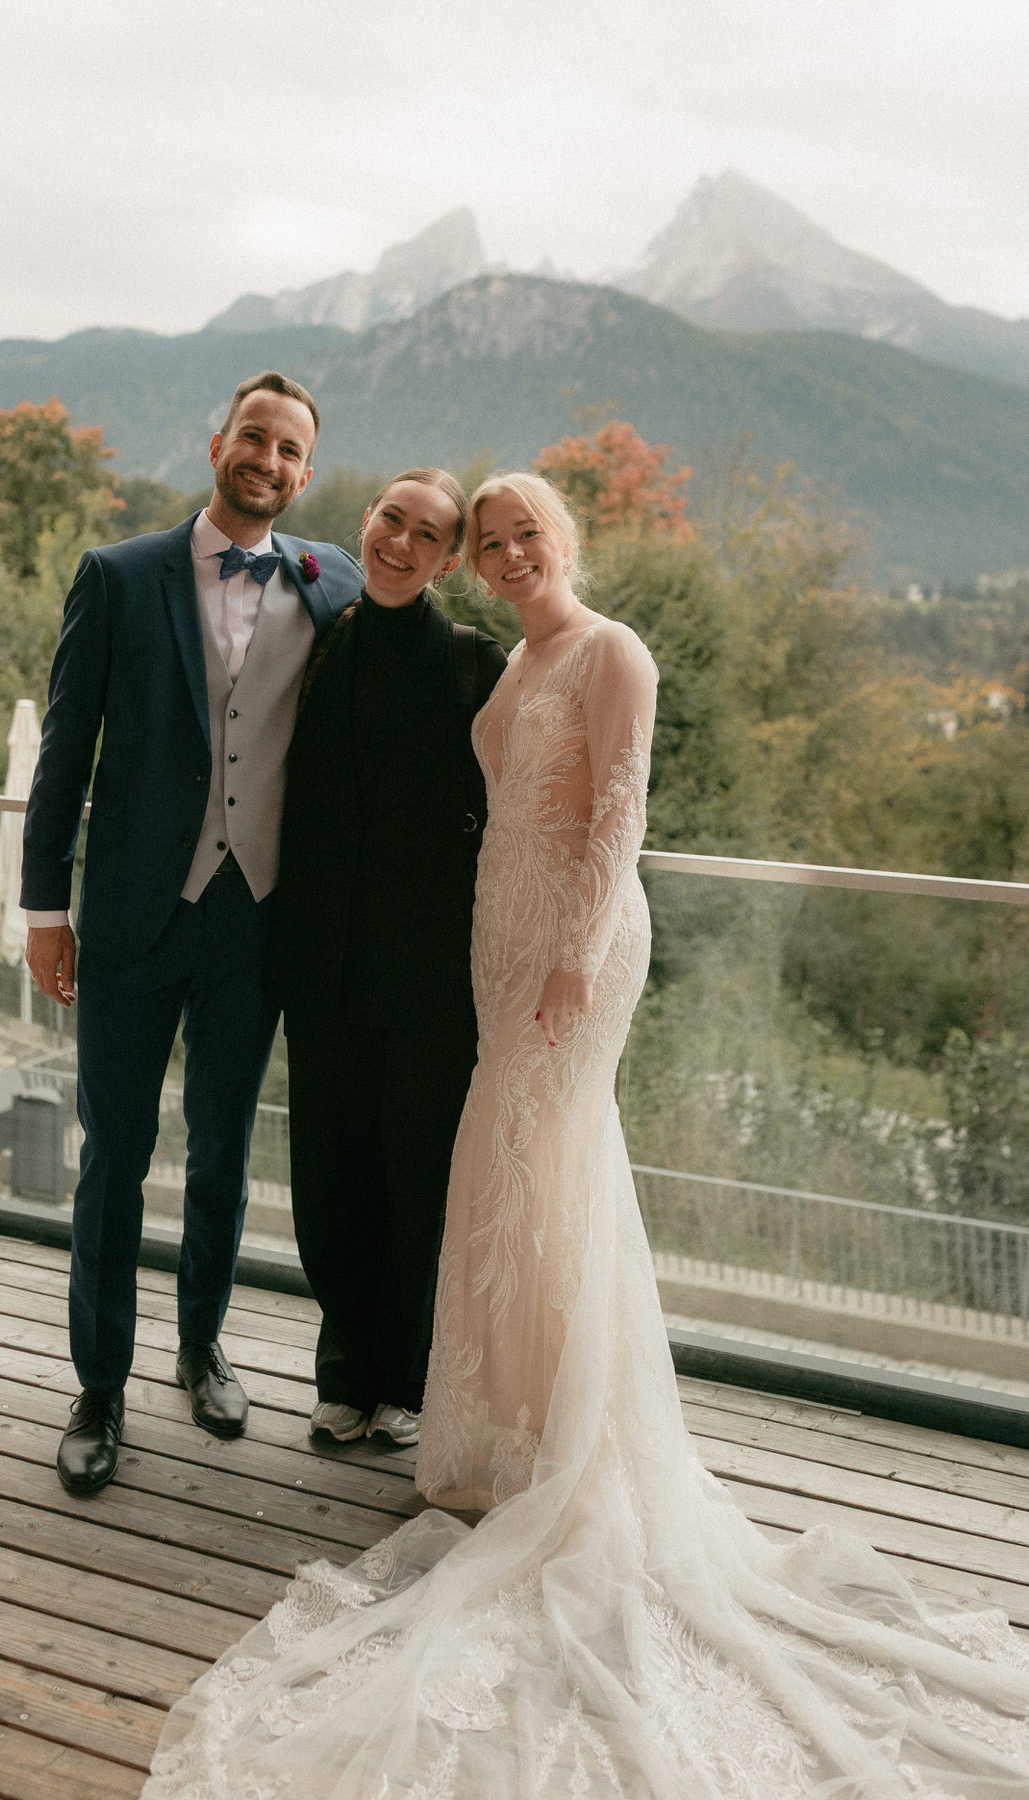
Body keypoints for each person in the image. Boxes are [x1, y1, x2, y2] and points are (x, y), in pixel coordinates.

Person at [143, 475, 1029, 1798]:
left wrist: (572, 954)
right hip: (497, 948)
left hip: (570, 951)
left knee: (542, 1169)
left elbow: (620, 808)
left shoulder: (612, 649)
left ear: (561, 537)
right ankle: (505, 1431)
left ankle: (570, 1450)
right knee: (508, 1185)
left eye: (518, 536)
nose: (505, 555)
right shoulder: (516, 661)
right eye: (487, 543)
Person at [21, 371, 363, 1498]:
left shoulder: (335, 584)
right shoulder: (118, 578)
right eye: (252, 437)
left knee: (223, 1154)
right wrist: (44, 911)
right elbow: (64, 755)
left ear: (305, 474)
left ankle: (201, 1344)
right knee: (115, 1155)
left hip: (253, 924)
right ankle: (100, 1387)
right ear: (217, 444)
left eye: (289, 449)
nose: (267, 458)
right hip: (129, 918)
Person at [273, 468, 506, 1450]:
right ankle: (344, 1372)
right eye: (390, 521)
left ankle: (406, 1379)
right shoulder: (315, 647)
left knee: (418, 1184)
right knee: (329, 1182)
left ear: (449, 559)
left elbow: (517, 814)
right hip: (323, 965)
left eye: (427, 535)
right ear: (366, 524)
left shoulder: (474, 664)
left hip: (431, 976)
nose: (401, 544)